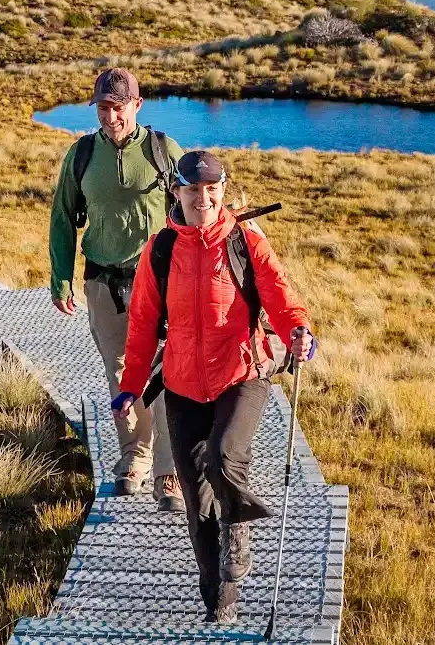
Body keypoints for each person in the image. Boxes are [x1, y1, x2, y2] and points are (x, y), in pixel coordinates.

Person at [114, 150, 317, 624]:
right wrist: (130, 387)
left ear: (223, 190)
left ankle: (239, 529)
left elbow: (282, 299)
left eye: (212, 189)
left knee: (225, 457)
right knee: (196, 499)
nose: (203, 198)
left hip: (241, 374)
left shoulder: (246, 242)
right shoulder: (160, 250)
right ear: (178, 192)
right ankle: (218, 603)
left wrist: (298, 332)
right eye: (192, 190)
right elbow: (143, 323)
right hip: (183, 383)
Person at [48, 67, 185, 509]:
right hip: (103, 284)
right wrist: (61, 276)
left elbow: (197, 212)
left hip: (159, 285)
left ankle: (169, 469)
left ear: (137, 106)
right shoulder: (82, 154)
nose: (110, 117)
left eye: (118, 107)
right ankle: (134, 459)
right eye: (103, 108)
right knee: (121, 371)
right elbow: (63, 217)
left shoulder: (165, 152)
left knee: (163, 373)